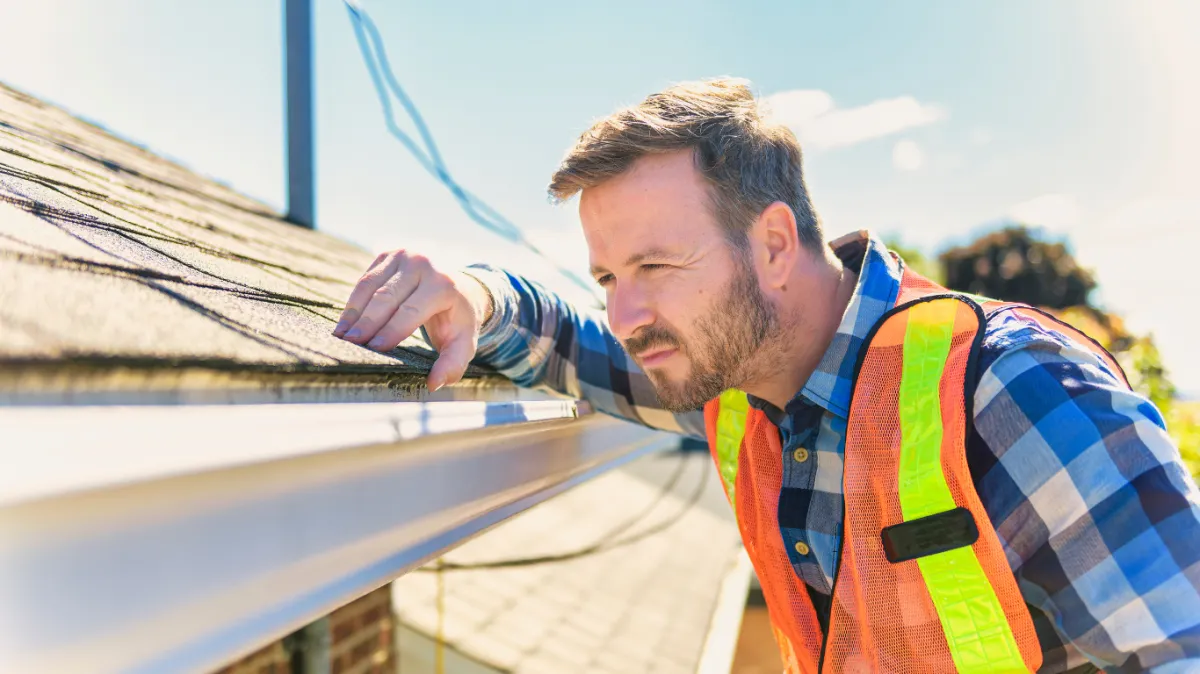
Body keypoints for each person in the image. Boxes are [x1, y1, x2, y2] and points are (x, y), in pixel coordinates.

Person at [334, 78, 1200, 673]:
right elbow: (567, 340)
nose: (626, 315)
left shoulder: (1013, 390)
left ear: (775, 245)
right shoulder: (732, 385)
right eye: (607, 277)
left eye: (655, 266)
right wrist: (474, 296)